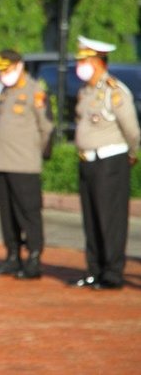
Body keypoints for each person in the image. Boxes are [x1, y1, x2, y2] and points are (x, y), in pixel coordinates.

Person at [69, 36, 140, 290]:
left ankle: (112, 273)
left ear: (97, 61)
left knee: (110, 219)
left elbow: (132, 129)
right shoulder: (86, 91)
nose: (80, 65)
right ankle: (94, 270)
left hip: (110, 161)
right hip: (88, 161)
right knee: (91, 218)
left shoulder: (114, 90)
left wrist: (132, 152)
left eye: (84, 60)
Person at [0, 49, 54, 279]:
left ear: (18, 66)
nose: (3, 75)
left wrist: (37, 153)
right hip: (3, 163)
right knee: (7, 214)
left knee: (29, 213)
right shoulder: (7, 91)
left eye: (6, 70)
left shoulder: (35, 91)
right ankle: (12, 256)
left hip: (25, 164)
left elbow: (47, 127)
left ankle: (33, 258)